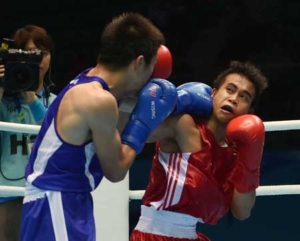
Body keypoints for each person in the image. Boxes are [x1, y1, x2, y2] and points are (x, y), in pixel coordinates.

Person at [20, 12, 177, 241]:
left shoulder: (89, 83)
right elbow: (116, 169)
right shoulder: (97, 100)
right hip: (56, 203)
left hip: (66, 201)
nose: (149, 78)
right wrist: (142, 122)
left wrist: (132, 101)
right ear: (139, 62)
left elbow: (116, 134)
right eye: (151, 70)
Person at [130, 61, 269, 241]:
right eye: (230, 89)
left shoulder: (235, 154)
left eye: (244, 96)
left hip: (190, 234)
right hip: (153, 235)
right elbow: (138, 133)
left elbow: (242, 212)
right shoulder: (183, 124)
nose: (234, 98)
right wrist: (154, 101)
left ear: (249, 111)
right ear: (214, 93)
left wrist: (252, 160)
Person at [0, 25, 55, 241]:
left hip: (44, 195)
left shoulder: (58, 103)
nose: (39, 59)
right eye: (31, 53)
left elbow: (55, 135)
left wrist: (32, 101)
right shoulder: (4, 103)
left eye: (44, 52)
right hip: (9, 194)